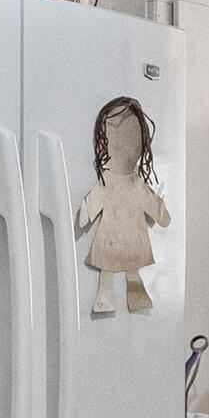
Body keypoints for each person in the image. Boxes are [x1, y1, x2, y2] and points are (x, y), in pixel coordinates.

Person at [77, 96, 168, 315]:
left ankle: (134, 298)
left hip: (121, 237)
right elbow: (163, 218)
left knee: (128, 270)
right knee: (111, 272)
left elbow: (162, 217)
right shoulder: (110, 181)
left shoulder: (136, 183)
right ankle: (107, 299)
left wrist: (160, 208)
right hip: (117, 237)